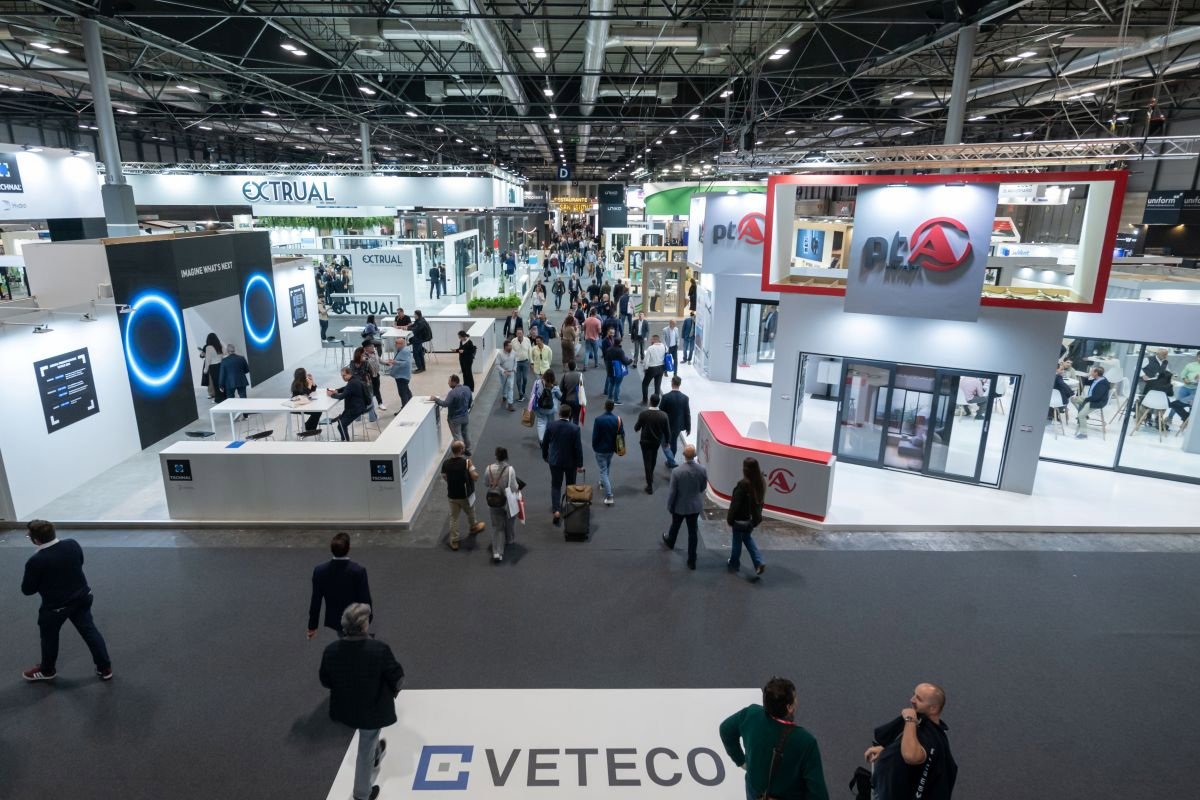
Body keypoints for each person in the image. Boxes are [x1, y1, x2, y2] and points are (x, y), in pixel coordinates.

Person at [319, 604, 404, 800]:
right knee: (366, 744)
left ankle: (376, 753)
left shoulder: (331, 651)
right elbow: (397, 677)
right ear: (364, 625)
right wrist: (393, 692)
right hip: (372, 709)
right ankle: (361, 793)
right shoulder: (379, 649)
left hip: (344, 707)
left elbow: (325, 679)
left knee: (369, 739)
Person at [20, 519, 112, 682]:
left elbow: (28, 590)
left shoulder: (36, 561)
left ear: (36, 539)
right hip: (83, 597)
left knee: (49, 637)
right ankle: (105, 668)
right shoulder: (72, 544)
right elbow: (79, 563)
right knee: (90, 631)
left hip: (56, 607)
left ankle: (47, 671)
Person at [719, 677, 829, 800]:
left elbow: (725, 730)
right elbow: (817, 792)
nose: (797, 701)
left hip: (755, 791)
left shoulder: (751, 714)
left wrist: (741, 761)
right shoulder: (805, 741)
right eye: (794, 698)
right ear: (789, 707)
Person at [864, 684, 957, 800]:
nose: (912, 700)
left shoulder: (930, 734)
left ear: (933, 708)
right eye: (914, 695)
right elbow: (913, 748)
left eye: (919, 699)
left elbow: (911, 756)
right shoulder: (924, 729)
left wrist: (910, 719)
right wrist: (887, 751)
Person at [307, 532, 372, 639]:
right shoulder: (358, 571)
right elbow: (365, 598)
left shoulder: (320, 571)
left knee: (343, 640)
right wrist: (367, 619)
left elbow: (316, 601)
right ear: (349, 548)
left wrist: (312, 626)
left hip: (336, 620)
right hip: (357, 618)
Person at [662, 445, 707, 569]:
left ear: (684, 455)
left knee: (675, 525)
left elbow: (673, 492)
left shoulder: (677, 472)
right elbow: (703, 487)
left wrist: (670, 505)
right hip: (694, 506)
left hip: (679, 505)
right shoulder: (702, 470)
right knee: (693, 533)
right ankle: (692, 560)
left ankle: (670, 542)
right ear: (695, 455)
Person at [541, 404, 583, 526]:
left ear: (559, 413)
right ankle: (569, 508)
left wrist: (545, 456)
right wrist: (579, 464)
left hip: (555, 461)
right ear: (570, 415)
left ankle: (556, 511)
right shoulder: (575, 428)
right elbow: (578, 448)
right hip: (571, 462)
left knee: (556, 485)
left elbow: (545, 443)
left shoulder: (551, 425)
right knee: (571, 485)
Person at [440, 440, 485, 550]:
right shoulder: (467, 462)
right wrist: (473, 470)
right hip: (465, 495)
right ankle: (474, 527)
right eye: (463, 447)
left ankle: (454, 541)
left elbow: (444, 476)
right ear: (461, 450)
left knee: (454, 518)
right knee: (471, 511)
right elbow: (475, 477)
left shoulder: (446, 463)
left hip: (452, 495)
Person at [727, 457, 766, 577]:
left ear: (745, 469)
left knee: (737, 542)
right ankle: (758, 562)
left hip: (740, 519)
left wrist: (730, 519)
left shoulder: (743, 485)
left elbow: (735, 504)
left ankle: (734, 564)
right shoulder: (761, 482)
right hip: (752, 520)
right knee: (747, 538)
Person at [484, 447, 520, 563]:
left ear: (496, 456)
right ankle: (509, 539)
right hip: (508, 501)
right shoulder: (510, 470)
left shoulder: (488, 468)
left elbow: (486, 483)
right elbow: (514, 487)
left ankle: (497, 552)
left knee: (497, 527)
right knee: (510, 521)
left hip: (494, 501)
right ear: (506, 456)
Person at [635, 394, 671, 495]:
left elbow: (636, 427)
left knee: (647, 461)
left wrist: (638, 429)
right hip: (656, 442)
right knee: (653, 458)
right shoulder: (664, 415)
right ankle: (650, 474)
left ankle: (649, 485)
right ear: (658, 402)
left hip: (645, 442)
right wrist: (667, 442)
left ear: (650, 401)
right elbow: (667, 431)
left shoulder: (643, 414)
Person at [431, 374, 474, 454]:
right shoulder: (467, 388)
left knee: (457, 436)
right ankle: (469, 449)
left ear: (454, 382)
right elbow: (470, 401)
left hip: (455, 419)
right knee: (466, 434)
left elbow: (445, 404)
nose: (448, 383)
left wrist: (436, 399)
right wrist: (466, 409)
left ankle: (460, 452)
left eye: (449, 381)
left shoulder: (452, 393)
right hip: (465, 417)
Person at [328, 366, 372, 441]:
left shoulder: (352, 383)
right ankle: (345, 440)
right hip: (360, 406)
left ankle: (346, 442)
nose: (343, 377)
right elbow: (346, 388)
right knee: (340, 422)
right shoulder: (355, 379)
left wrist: (331, 395)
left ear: (349, 374)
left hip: (356, 409)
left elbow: (341, 397)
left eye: (344, 375)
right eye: (342, 376)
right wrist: (337, 390)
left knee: (341, 425)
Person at [592, 399, 621, 506]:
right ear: (613, 407)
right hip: (611, 449)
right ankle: (603, 482)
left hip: (600, 449)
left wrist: (595, 447)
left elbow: (595, 436)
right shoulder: (617, 420)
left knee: (603, 470)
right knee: (607, 465)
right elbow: (621, 434)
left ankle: (609, 496)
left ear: (604, 406)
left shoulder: (598, 420)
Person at [1071, 365, 1110, 439]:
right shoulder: (1096, 379)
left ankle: (1084, 434)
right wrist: (1088, 376)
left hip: (1096, 402)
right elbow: (1086, 382)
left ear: (1096, 373)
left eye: (1092, 371)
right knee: (1073, 399)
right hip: (1090, 398)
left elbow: (1097, 397)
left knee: (1081, 415)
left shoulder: (1103, 383)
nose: (1090, 372)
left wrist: (1085, 400)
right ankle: (1085, 414)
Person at [659, 375, 691, 466]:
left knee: (664, 443)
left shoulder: (666, 397)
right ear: (679, 384)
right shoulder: (685, 398)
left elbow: (661, 412)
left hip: (666, 425)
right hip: (678, 426)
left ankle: (671, 461)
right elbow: (687, 413)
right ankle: (671, 460)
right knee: (673, 442)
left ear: (672, 383)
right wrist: (688, 428)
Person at [530, 369, 562, 443]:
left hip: (539, 408)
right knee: (551, 423)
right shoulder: (555, 386)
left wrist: (531, 407)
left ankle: (542, 440)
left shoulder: (537, 383)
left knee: (541, 422)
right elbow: (560, 397)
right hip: (551, 409)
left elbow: (532, 394)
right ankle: (550, 438)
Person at [1168, 350, 1200, 424]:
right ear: (1197, 357)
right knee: (1177, 403)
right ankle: (1170, 418)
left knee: (1191, 406)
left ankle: (1187, 421)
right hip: (1185, 388)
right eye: (1199, 357)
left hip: (1196, 390)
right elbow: (1183, 374)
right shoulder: (1190, 365)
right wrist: (1185, 379)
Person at [290, 367, 322, 433]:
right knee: (317, 412)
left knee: (318, 411)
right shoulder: (296, 384)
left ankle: (308, 427)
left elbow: (313, 389)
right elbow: (305, 394)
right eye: (305, 373)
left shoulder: (304, 381)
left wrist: (312, 381)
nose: (306, 374)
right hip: (298, 406)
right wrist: (309, 384)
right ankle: (308, 428)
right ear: (302, 375)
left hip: (304, 404)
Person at [384, 339, 413, 410]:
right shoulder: (402, 350)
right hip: (401, 375)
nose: (395, 344)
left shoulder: (405, 351)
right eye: (395, 343)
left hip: (402, 376)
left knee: (403, 393)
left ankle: (404, 409)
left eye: (397, 343)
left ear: (402, 344)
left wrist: (395, 362)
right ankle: (411, 405)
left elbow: (406, 363)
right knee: (406, 391)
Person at [603, 335, 632, 405]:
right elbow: (624, 361)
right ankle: (616, 400)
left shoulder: (609, 349)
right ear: (620, 343)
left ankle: (609, 398)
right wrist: (630, 361)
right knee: (617, 385)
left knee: (611, 384)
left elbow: (606, 358)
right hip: (618, 370)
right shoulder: (620, 351)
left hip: (610, 369)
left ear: (613, 342)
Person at [641, 334, 667, 404]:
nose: (650, 341)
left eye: (651, 339)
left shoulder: (650, 348)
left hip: (652, 368)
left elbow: (646, 360)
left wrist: (645, 368)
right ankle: (656, 401)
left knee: (645, 384)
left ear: (654, 340)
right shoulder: (663, 346)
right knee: (657, 386)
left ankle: (645, 400)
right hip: (661, 367)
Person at [362, 341, 387, 411]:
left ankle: (380, 403)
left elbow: (379, 360)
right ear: (366, 348)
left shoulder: (375, 352)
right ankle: (368, 405)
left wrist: (386, 363)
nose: (373, 347)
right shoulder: (363, 355)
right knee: (369, 391)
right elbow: (364, 363)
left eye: (373, 346)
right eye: (371, 346)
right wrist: (367, 357)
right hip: (368, 377)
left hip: (376, 374)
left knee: (377, 389)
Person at [495, 338, 517, 411]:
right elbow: (497, 365)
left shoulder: (513, 352)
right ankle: (504, 396)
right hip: (503, 374)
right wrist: (504, 371)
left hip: (511, 373)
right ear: (505, 347)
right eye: (509, 346)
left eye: (511, 346)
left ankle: (510, 404)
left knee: (510, 387)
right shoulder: (500, 354)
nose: (511, 347)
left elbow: (515, 361)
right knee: (504, 385)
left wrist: (514, 368)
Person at [202, 332, 225, 402]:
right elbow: (224, 354)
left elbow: (208, 360)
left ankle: (218, 399)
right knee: (222, 382)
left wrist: (205, 370)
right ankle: (225, 397)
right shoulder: (219, 345)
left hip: (213, 367)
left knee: (216, 383)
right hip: (221, 365)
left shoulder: (208, 347)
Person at [511, 329, 532, 401]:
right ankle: (520, 394)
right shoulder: (513, 341)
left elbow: (530, 350)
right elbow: (512, 352)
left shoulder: (527, 340)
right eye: (518, 333)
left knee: (525, 378)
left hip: (525, 362)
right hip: (517, 363)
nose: (519, 335)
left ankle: (523, 390)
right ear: (516, 334)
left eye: (520, 333)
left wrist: (531, 361)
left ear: (523, 333)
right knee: (518, 379)